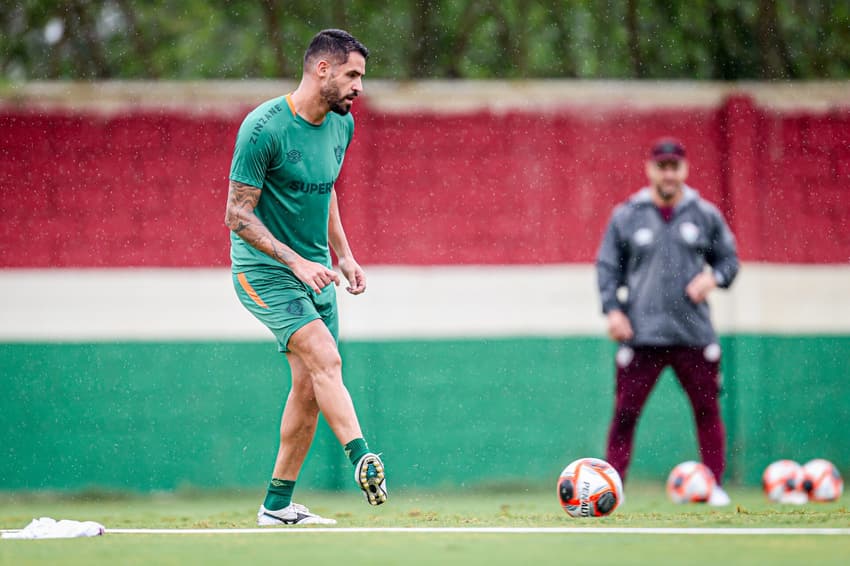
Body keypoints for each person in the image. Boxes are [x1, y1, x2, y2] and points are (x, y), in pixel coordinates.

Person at [224, 29, 387, 526]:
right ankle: (363, 455)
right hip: (266, 272)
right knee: (325, 357)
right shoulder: (263, 127)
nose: (360, 86)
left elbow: (327, 189)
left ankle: (276, 506)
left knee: (311, 386)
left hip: (317, 272)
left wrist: (345, 255)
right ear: (323, 69)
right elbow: (236, 214)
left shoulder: (343, 124)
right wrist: (296, 262)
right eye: (353, 74)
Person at [595, 138, 739, 506]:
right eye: (662, 166)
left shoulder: (704, 214)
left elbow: (729, 262)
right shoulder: (627, 215)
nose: (669, 173)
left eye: (675, 166)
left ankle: (713, 486)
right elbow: (607, 268)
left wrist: (714, 278)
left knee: (707, 411)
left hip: (693, 334)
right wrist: (613, 310)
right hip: (641, 335)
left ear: (684, 170)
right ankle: (614, 488)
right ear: (650, 169)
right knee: (625, 414)